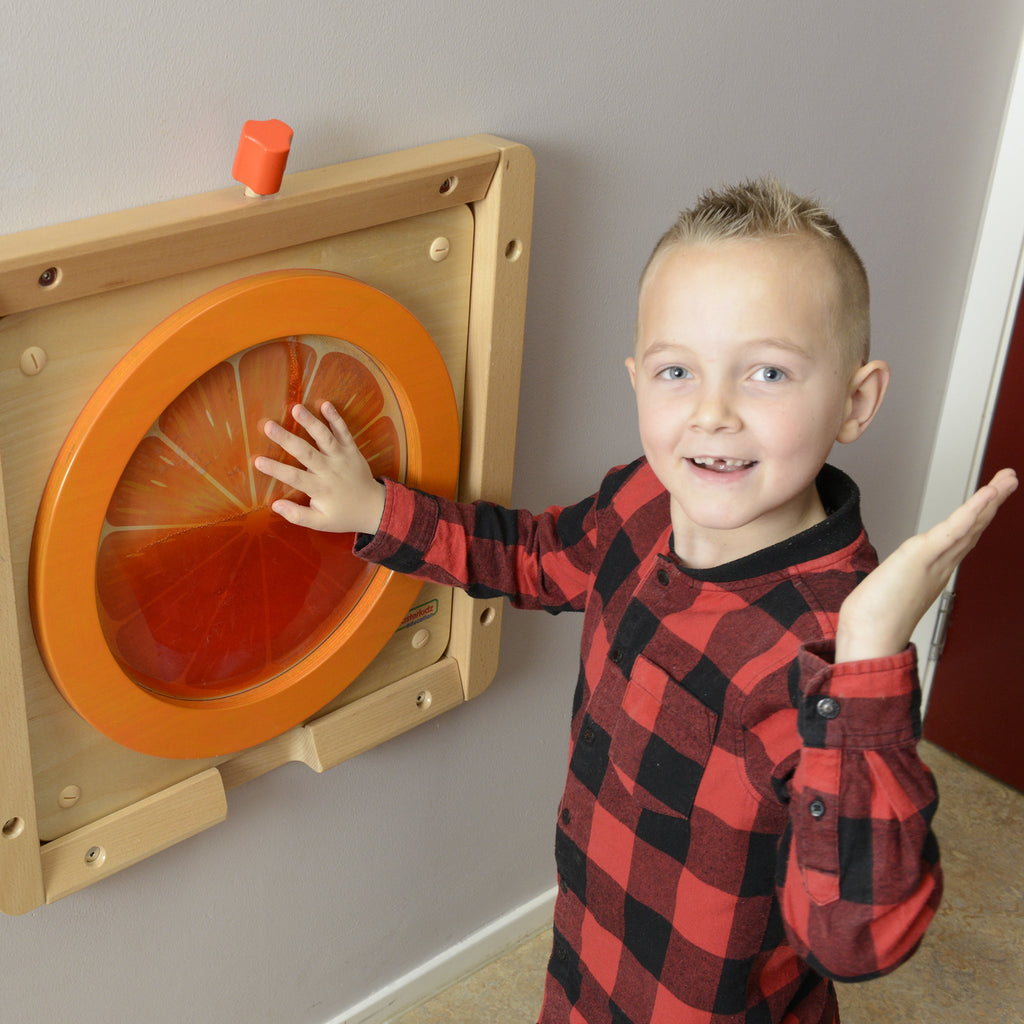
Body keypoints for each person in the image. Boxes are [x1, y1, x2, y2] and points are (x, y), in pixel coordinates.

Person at [254, 179, 1017, 1024]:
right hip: (592, 971)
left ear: (856, 401)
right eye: (677, 371)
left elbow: (854, 937)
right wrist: (378, 511)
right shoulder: (641, 503)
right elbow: (539, 558)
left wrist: (872, 655)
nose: (713, 413)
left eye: (767, 372)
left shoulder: (831, 652)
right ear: (637, 380)